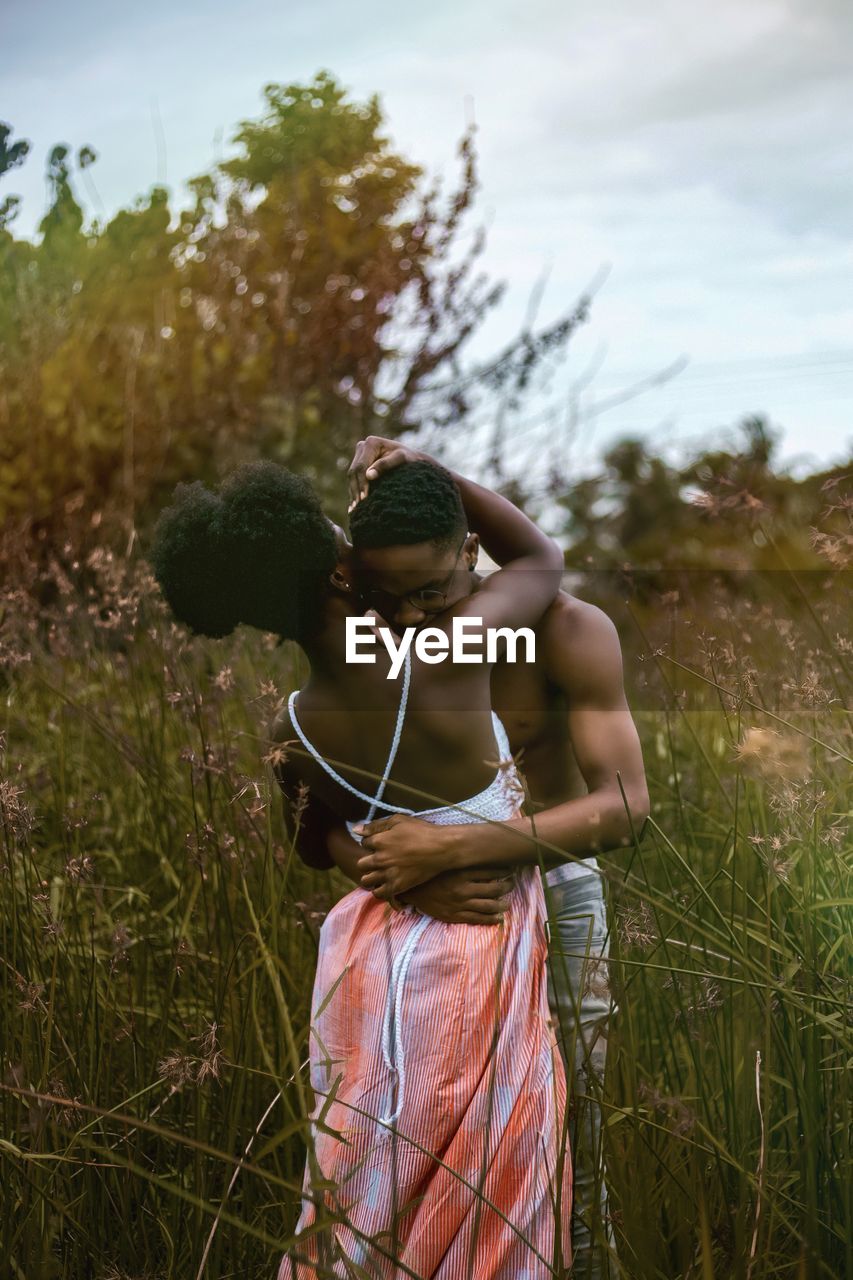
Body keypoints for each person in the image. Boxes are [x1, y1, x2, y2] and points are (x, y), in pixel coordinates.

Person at [149, 459, 572, 1279]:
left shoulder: (292, 727)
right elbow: (536, 562)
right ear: (344, 570)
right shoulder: (446, 652)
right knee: (478, 1183)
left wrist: (390, 872)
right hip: (476, 951)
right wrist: (429, 470)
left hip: (370, 970)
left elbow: (312, 839)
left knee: (370, 1178)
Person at [304, 436, 651, 1280]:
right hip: (413, 922)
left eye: (432, 590)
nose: (415, 616)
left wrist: (455, 846)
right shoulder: (374, 648)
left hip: (551, 895)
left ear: (471, 550)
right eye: (392, 597)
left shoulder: (567, 630)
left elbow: (626, 806)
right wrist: (390, 871)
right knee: (398, 1139)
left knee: (566, 1139)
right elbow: (312, 817)